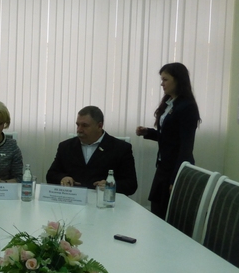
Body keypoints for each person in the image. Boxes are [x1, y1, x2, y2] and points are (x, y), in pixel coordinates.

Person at [136, 62, 201, 220]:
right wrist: (148, 132)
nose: (162, 84)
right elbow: (169, 136)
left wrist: (176, 178)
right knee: (156, 210)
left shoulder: (187, 107)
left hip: (175, 168)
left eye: (165, 80)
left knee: (168, 215)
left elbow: (185, 146)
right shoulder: (170, 103)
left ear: (177, 80)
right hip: (163, 166)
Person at [46, 106, 137, 194]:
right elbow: (51, 175)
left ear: (99, 126)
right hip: (72, 200)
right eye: (78, 125)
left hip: (104, 200)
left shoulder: (120, 148)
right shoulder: (66, 146)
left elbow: (131, 184)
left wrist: (110, 185)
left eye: (85, 126)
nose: (79, 130)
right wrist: (62, 178)